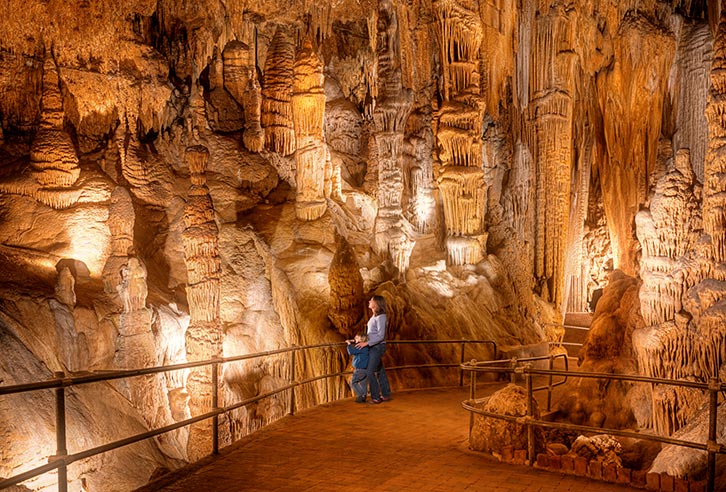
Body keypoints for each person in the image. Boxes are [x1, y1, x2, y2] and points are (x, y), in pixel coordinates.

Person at [356, 295, 391, 404]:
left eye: (371, 300)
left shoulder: (381, 317)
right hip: (373, 346)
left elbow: (381, 336)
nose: (369, 301)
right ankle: (386, 394)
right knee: (380, 370)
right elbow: (371, 334)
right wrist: (357, 340)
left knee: (370, 371)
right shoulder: (374, 317)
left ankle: (376, 397)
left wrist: (366, 343)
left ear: (377, 303)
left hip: (377, 346)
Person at [346, 333, 369, 403]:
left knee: (353, 382)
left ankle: (360, 395)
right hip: (366, 369)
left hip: (360, 369)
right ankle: (364, 396)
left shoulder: (360, 346)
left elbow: (351, 352)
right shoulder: (365, 347)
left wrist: (349, 344)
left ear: (361, 340)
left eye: (357, 338)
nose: (355, 338)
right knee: (363, 382)